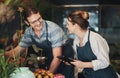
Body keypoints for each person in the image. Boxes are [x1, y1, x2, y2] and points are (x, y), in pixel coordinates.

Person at [5, 6, 67, 74]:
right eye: (34, 22)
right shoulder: (29, 32)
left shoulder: (53, 29)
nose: (38, 23)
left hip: (65, 62)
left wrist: (48, 75)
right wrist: (3, 55)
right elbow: (17, 51)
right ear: (27, 22)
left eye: (39, 18)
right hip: (51, 61)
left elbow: (58, 57)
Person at [66, 10, 118, 78]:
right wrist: (72, 62)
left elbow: (105, 62)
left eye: (68, 24)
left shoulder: (95, 38)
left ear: (75, 25)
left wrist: (83, 64)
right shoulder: (76, 41)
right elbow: (81, 62)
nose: (66, 26)